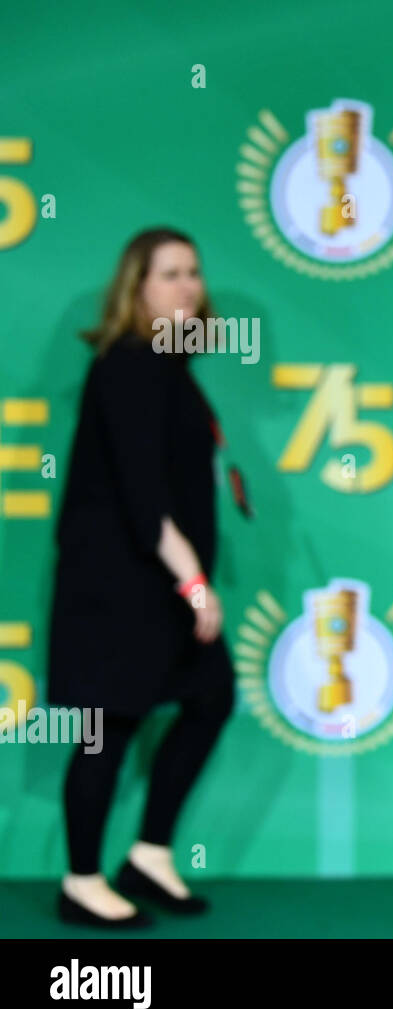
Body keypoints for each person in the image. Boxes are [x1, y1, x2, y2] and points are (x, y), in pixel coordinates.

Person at [48, 227, 235, 928]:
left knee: (210, 694)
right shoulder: (126, 363)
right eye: (169, 274)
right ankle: (81, 880)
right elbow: (142, 495)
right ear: (138, 288)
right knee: (108, 727)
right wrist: (194, 584)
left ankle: (149, 853)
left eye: (193, 272)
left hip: (159, 590)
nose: (187, 286)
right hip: (120, 591)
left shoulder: (168, 367)